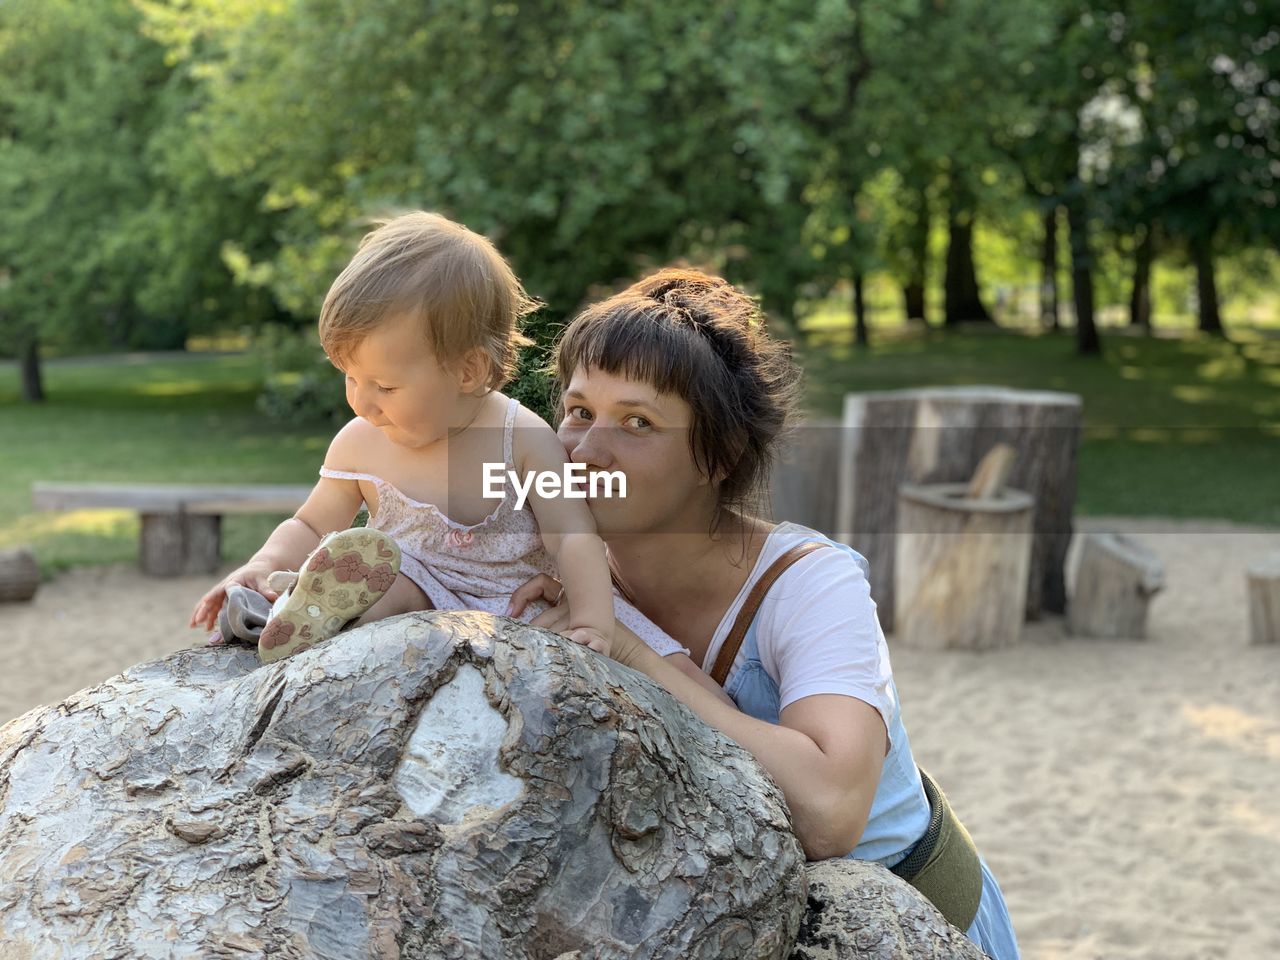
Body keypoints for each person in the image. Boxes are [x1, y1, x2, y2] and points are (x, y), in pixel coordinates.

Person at [507, 268, 1020, 958]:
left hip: (913, 929)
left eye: (637, 422)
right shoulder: (565, 576)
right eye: (577, 411)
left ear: (719, 454)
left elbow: (831, 813)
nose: (586, 451)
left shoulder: (811, 584)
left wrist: (635, 656)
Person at [189, 211, 684, 664]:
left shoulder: (523, 441)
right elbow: (312, 525)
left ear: (468, 371)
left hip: (513, 601)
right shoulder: (361, 441)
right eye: (349, 376)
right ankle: (308, 612)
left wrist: (591, 623)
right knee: (387, 589)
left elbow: (573, 537)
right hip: (414, 587)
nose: (361, 401)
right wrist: (262, 562)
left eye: (384, 385)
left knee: (665, 659)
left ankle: (726, 711)